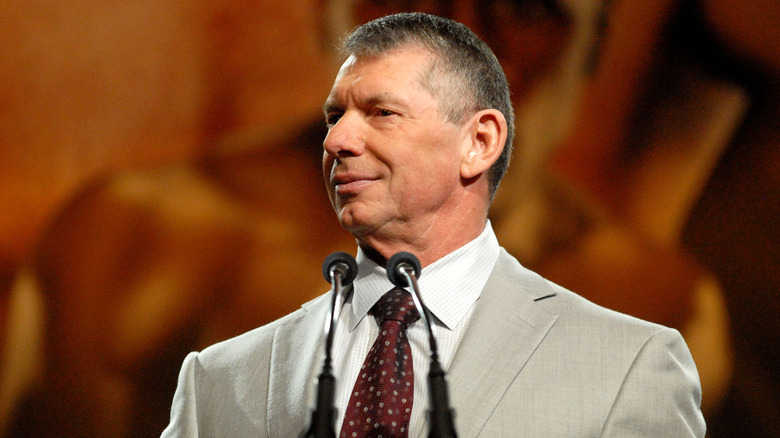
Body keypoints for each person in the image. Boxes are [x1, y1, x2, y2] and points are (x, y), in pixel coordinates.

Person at [162, 12, 705, 437]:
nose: (337, 140)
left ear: (480, 142)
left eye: (382, 113)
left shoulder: (628, 367)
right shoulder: (219, 378)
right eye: (335, 116)